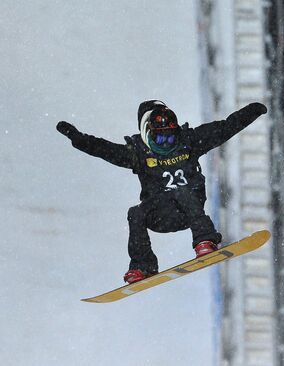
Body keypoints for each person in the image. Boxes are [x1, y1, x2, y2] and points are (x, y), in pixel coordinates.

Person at [56, 100, 267, 283]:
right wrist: (78, 138)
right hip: (161, 215)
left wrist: (252, 111)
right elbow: (105, 149)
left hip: (189, 210)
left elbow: (225, 128)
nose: (167, 143)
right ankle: (143, 265)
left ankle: (205, 240)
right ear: (148, 133)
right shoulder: (137, 153)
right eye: (161, 139)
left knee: (181, 191)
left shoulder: (189, 141)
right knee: (135, 212)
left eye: (170, 137)